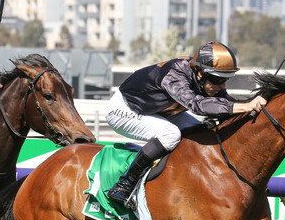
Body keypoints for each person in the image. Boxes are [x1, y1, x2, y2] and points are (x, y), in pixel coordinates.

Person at [105, 41, 268, 208]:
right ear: (199, 74)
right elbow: (197, 105)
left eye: (227, 79)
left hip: (159, 110)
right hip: (124, 108)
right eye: (218, 79)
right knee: (170, 134)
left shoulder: (205, 75)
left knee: (200, 131)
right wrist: (245, 106)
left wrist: (254, 105)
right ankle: (124, 184)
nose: (222, 86)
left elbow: (225, 103)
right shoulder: (175, 75)